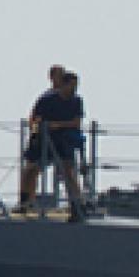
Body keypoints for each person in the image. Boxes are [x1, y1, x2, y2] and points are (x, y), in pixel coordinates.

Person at [18, 71, 86, 222]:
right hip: (44, 139)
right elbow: (35, 119)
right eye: (71, 85)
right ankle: (25, 201)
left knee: (68, 171)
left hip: (63, 140)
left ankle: (77, 204)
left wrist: (57, 125)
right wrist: (38, 132)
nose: (74, 89)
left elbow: (76, 122)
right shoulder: (48, 100)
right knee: (31, 169)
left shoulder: (76, 101)